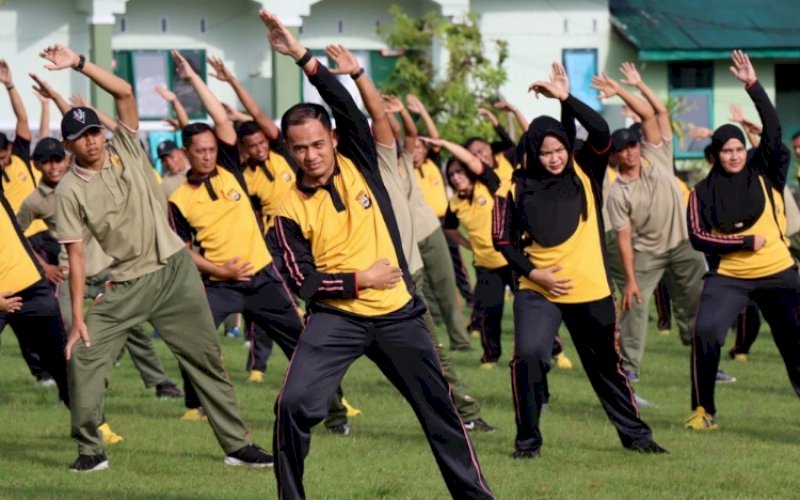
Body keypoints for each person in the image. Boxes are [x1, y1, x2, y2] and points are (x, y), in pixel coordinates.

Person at [259, 11, 494, 499]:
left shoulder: (360, 163)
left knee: (442, 412)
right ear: (288, 149)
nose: (311, 155)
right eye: (299, 148)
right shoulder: (284, 208)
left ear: (334, 140)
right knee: (293, 407)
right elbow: (302, 281)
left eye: (318, 144)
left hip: (398, 316)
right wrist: (359, 280)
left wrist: (302, 56)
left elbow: (343, 103)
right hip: (335, 319)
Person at [39, 43, 271, 472]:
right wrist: (77, 320)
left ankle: (238, 446)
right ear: (68, 145)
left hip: (175, 274)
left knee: (207, 360)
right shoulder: (69, 191)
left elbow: (125, 93)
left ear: (101, 132)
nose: (90, 141)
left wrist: (79, 64)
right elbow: (75, 256)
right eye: (79, 137)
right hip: (125, 283)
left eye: (93, 132)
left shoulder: (126, 148)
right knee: (84, 357)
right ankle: (91, 450)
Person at [165, 49, 349, 433]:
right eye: (199, 152)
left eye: (211, 149)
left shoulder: (231, 167)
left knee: (304, 344)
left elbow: (218, 115)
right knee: (193, 340)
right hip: (219, 285)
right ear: (185, 154)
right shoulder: (178, 199)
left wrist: (195, 77)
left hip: (265, 277)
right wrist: (218, 268)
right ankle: (193, 405)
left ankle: (336, 412)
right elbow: (181, 249)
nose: (207, 156)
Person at [492, 70, 666, 458]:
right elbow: (501, 240)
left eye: (559, 150)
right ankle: (527, 442)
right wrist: (534, 274)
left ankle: (637, 437)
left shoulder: (586, 170)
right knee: (531, 356)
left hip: (590, 289)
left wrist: (565, 99)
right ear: (533, 152)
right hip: (538, 290)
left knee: (607, 365)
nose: (554, 158)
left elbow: (602, 131)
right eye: (545, 152)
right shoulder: (514, 186)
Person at [16, 138, 183, 401]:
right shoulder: (35, 201)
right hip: (71, 275)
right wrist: (43, 265)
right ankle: (72, 389)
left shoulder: (86, 181)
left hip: (108, 268)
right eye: (46, 162)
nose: (53, 166)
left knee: (134, 328)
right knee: (69, 332)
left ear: (67, 158)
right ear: (36, 165)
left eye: (57, 159)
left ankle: (160, 382)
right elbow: (16, 235)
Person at [685, 51, 800, 430]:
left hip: (779, 272)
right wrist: (741, 244)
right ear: (716, 155)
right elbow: (698, 237)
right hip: (730, 277)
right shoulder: (701, 192)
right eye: (726, 151)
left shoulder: (764, 170)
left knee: (794, 339)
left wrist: (753, 85)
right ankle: (704, 411)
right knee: (707, 332)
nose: (733, 156)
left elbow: (773, 130)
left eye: (738, 149)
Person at [593, 63, 707, 382]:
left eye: (632, 145)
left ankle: (703, 353)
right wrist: (629, 279)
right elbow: (624, 239)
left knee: (697, 297)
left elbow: (651, 115)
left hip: (683, 243)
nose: (629, 152)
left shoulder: (656, 154)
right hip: (647, 253)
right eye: (622, 149)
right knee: (634, 303)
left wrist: (630, 87)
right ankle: (630, 367)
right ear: (614, 155)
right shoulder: (618, 192)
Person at [435, 137, 513, 369]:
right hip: (486, 265)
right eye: (451, 175)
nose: (456, 177)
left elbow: (471, 160)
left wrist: (444, 143)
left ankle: (556, 351)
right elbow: (449, 228)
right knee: (490, 313)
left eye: (459, 172)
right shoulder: (455, 203)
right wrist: (467, 244)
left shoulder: (488, 184)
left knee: (531, 310)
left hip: (513, 260)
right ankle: (490, 357)